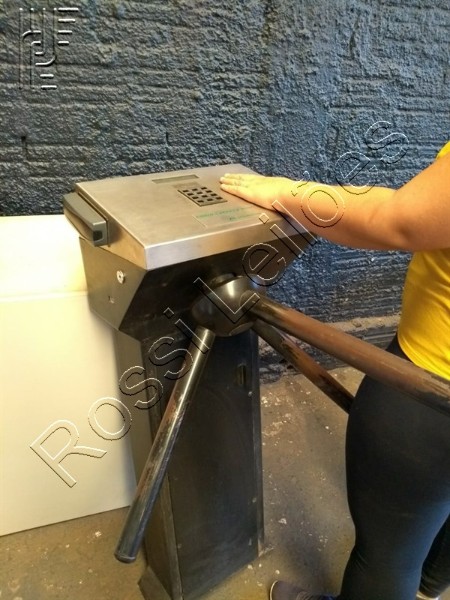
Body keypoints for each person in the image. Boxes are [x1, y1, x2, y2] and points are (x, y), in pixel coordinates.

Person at [219, 141, 450, 600]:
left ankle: (412, 575)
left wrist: (286, 192)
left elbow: (397, 220)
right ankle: (432, 579)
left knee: (387, 556)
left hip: (430, 388)